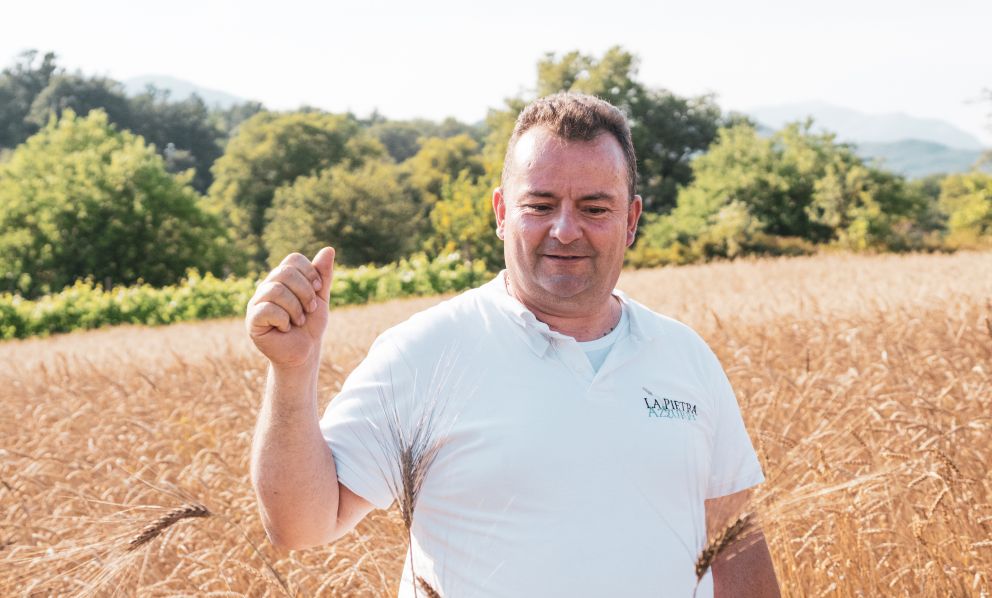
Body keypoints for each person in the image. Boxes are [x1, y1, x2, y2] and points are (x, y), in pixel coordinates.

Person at [246, 92, 780, 597]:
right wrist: (293, 371)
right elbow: (301, 524)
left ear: (632, 219)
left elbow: (734, 546)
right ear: (502, 213)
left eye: (594, 208)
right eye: (540, 205)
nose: (566, 230)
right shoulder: (426, 353)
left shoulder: (684, 356)